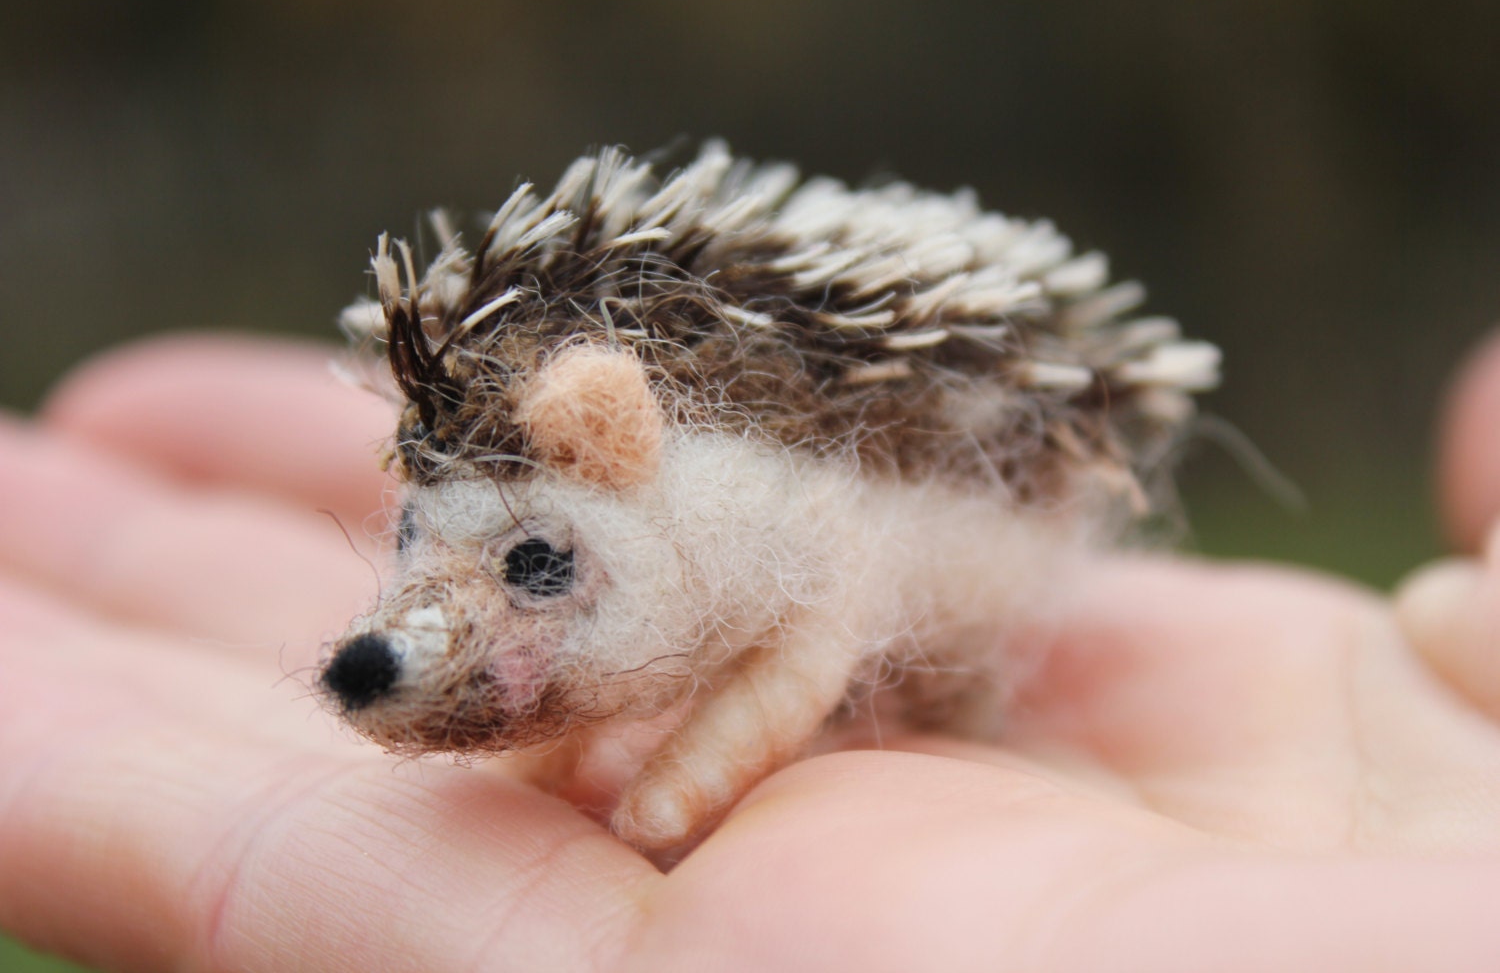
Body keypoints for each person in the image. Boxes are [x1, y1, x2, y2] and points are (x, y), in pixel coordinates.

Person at [3, 331, 1500, 973]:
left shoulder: (772, 533)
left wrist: (687, 774)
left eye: (536, 569)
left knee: (924, 663)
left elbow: (803, 638)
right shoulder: (637, 532)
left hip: (954, 592)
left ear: (617, 445)